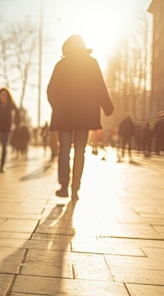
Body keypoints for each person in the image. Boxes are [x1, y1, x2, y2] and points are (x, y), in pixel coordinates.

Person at [47, 35, 114, 201]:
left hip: (64, 116)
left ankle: (64, 186)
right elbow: (100, 86)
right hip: (85, 116)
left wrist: (57, 107)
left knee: (64, 150)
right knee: (80, 152)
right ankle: (75, 188)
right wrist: (107, 107)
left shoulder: (61, 65)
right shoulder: (91, 63)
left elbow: (51, 90)